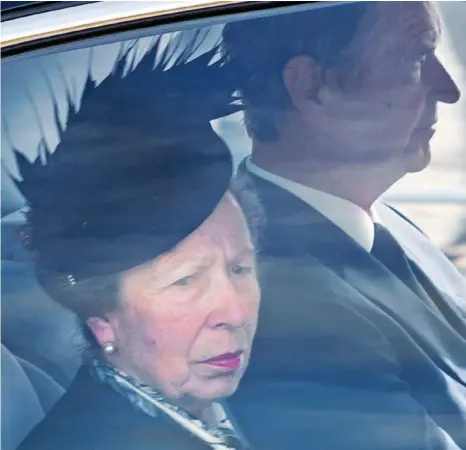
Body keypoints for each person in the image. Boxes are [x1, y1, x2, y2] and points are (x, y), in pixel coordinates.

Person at [222, 2, 466, 450]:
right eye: (416, 58)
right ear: (311, 85)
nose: (448, 89)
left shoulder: (376, 219)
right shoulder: (291, 318)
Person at [14, 37, 261, 450]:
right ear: (101, 319)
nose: (235, 311)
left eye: (239, 268)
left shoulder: (216, 406)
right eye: (185, 281)